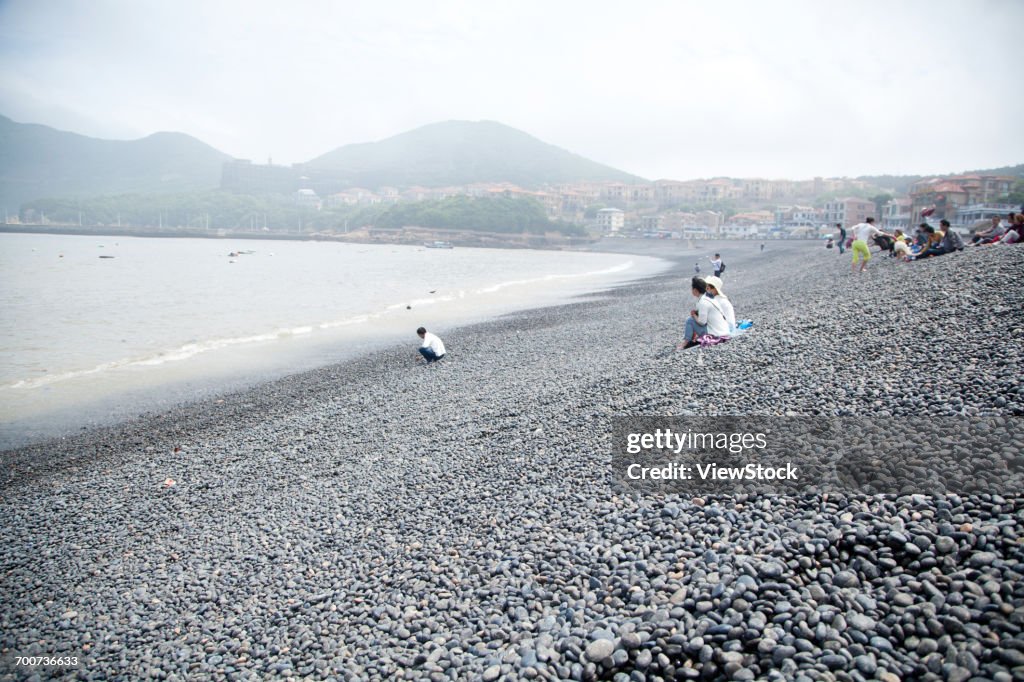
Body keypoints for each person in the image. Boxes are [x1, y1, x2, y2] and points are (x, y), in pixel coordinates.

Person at [679, 277, 729, 349]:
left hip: (717, 333)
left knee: (690, 320)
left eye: (692, 288)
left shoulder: (703, 302)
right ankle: (690, 340)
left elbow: (702, 322)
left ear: (695, 290)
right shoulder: (710, 298)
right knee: (693, 319)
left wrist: (694, 316)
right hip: (724, 330)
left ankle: (685, 343)